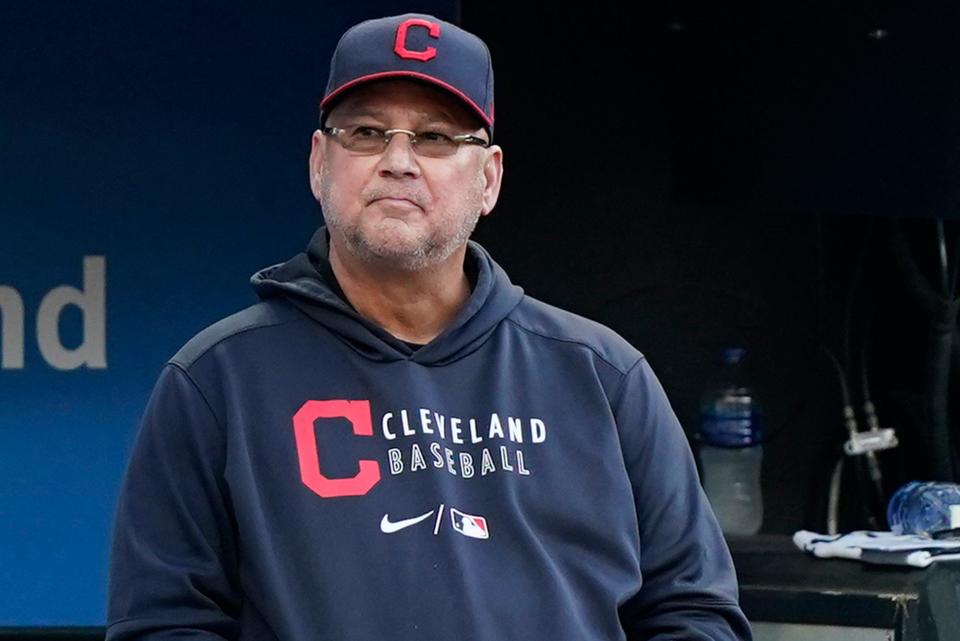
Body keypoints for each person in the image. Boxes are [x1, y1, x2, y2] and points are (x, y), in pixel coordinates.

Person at [106, 12, 752, 641]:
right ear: (318, 163)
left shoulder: (604, 375)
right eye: (364, 132)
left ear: (489, 178)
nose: (398, 160)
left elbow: (695, 610)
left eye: (437, 137)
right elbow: (165, 622)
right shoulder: (217, 379)